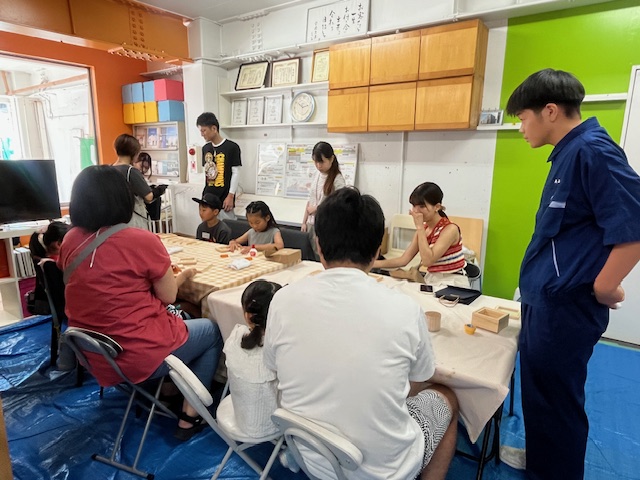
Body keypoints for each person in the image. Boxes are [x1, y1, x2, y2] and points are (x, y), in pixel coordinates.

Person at [264, 187, 459, 480]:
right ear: (377, 249)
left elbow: (272, 366)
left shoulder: (282, 300)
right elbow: (420, 377)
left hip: (311, 457)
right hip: (386, 471)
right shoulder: (405, 309)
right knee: (447, 396)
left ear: (318, 245)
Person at [505, 68, 640, 479]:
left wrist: (605, 286)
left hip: (564, 309)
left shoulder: (592, 151)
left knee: (557, 404)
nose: (521, 128)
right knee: (541, 398)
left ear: (549, 111)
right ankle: (542, 462)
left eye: (523, 118)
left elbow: (634, 226)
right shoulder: (568, 153)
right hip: (545, 303)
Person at [58, 165, 224, 441]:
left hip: (95, 353)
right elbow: (168, 296)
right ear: (123, 199)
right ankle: (189, 417)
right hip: (136, 352)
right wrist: (181, 275)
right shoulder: (140, 239)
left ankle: (168, 390)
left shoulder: (70, 240)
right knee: (211, 330)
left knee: (179, 317)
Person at [373, 182, 469, 288]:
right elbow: (404, 260)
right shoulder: (424, 229)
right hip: (433, 280)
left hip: (453, 281)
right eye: (414, 206)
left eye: (422, 206)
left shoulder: (450, 229)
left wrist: (419, 227)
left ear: (437, 207)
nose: (416, 211)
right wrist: (371, 263)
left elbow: (428, 261)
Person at [223, 280, 281, 437]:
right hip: (273, 424)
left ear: (247, 314)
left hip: (241, 416)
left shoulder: (236, 336)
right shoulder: (278, 346)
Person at [28, 221, 74, 369]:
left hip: (60, 308)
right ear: (58, 244)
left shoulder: (44, 262)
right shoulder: (56, 265)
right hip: (71, 308)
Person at [301, 141, 346, 261]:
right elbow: (310, 200)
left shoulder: (337, 179)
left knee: (323, 259)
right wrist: (304, 222)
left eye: (321, 162)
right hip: (311, 224)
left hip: (326, 226)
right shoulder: (317, 175)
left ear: (331, 159)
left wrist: (318, 208)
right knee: (310, 259)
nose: (318, 165)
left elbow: (341, 204)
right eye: (315, 162)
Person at [112, 134, 166, 229]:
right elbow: (149, 197)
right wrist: (159, 190)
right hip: (132, 220)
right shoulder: (131, 171)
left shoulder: (109, 169)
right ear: (135, 153)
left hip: (115, 220)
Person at [196, 112, 241, 220]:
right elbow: (207, 173)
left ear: (214, 128)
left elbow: (236, 173)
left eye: (204, 130)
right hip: (208, 197)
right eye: (200, 131)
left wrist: (231, 195)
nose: (202, 134)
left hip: (225, 198)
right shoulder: (205, 148)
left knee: (226, 227)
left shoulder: (232, 147)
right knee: (208, 228)